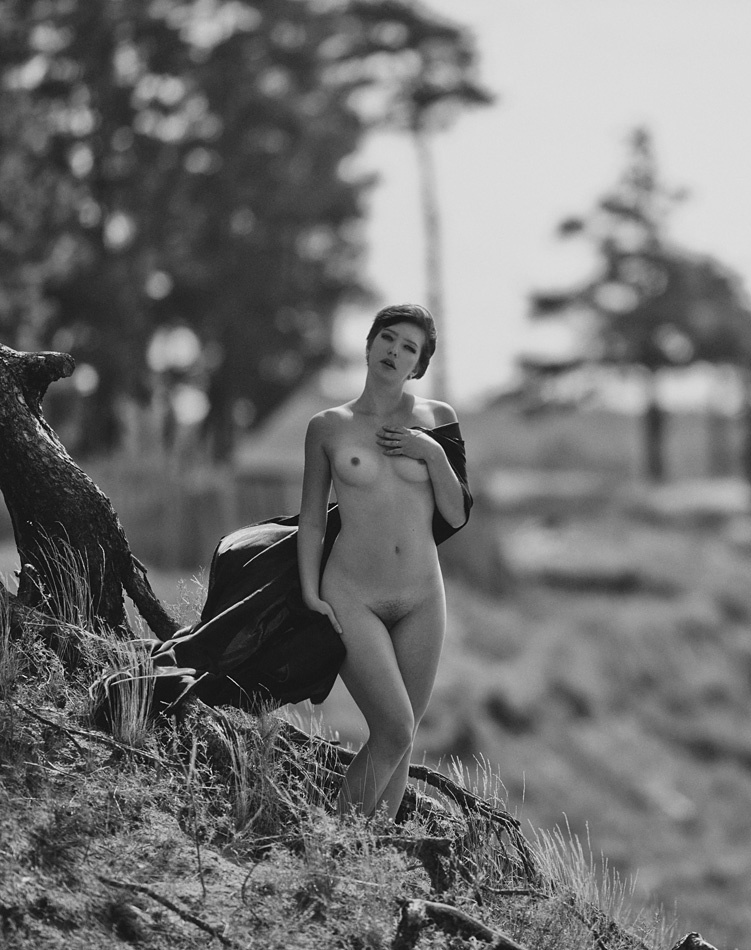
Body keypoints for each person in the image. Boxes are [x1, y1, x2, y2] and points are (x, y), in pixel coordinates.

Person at [297, 303, 471, 819]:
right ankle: (329, 846)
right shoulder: (328, 426)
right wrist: (309, 592)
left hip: (422, 597)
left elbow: (457, 512)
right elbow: (312, 519)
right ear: (370, 344)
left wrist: (430, 452)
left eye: (409, 347)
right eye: (388, 338)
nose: (395, 351)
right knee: (393, 729)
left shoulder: (438, 419)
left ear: (418, 365)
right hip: (353, 596)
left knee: (403, 739)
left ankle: (374, 851)